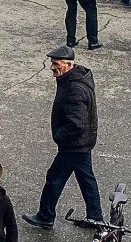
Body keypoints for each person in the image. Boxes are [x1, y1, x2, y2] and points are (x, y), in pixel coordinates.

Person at [24, 46, 100, 231]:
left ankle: (46, 216)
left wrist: (59, 136)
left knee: (54, 178)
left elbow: (77, 124)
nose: (51, 67)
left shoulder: (74, 89)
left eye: (56, 64)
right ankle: (95, 217)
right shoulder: (74, 78)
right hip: (82, 144)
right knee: (86, 179)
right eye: (52, 63)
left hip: (73, 145)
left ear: (67, 65)